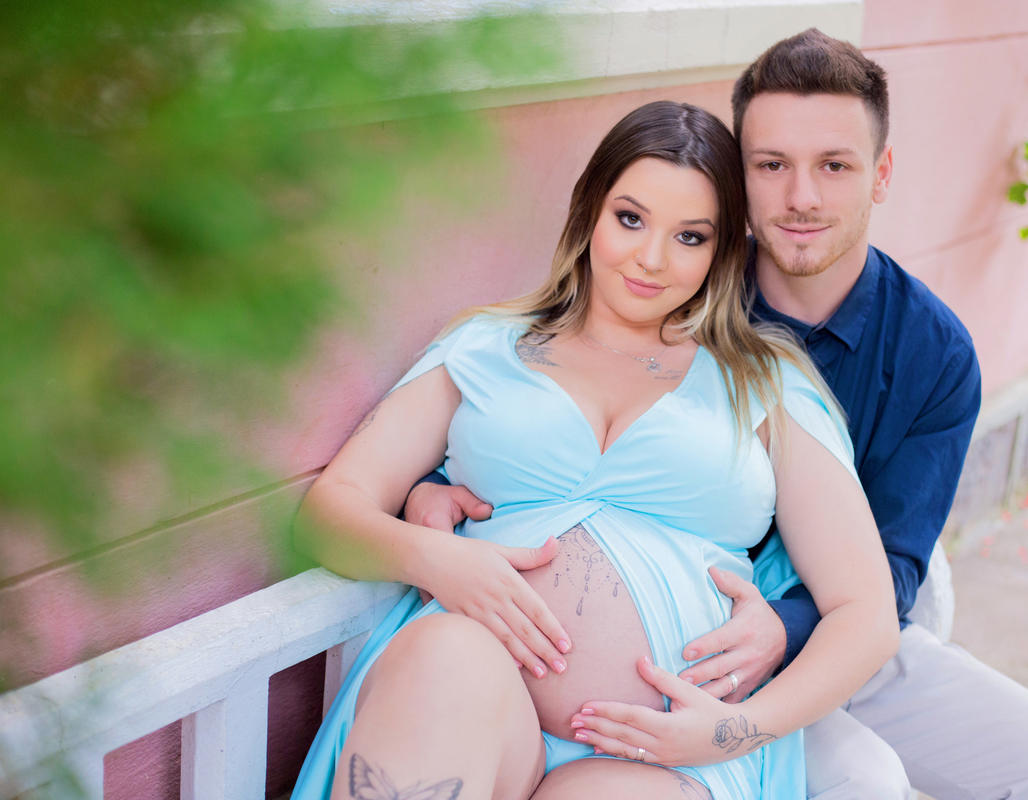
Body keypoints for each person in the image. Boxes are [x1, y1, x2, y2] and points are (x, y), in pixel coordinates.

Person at [408, 29, 1028, 800]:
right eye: (771, 166)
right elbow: (553, 408)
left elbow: (894, 571)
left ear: (880, 173)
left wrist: (784, 627)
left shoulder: (934, 353)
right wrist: (433, 484)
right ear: (737, 179)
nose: (801, 198)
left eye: (834, 166)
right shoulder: (674, 278)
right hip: (684, 650)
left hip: (826, 637)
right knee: (865, 783)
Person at [291, 100, 898, 800]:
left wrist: (733, 729)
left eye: (690, 237)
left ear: (726, 249)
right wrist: (440, 560)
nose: (651, 259)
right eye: (631, 219)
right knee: (440, 659)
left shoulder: (766, 384)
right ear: (589, 212)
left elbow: (867, 615)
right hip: (476, 694)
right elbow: (328, 510)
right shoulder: (487, 347)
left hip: (665, 752)